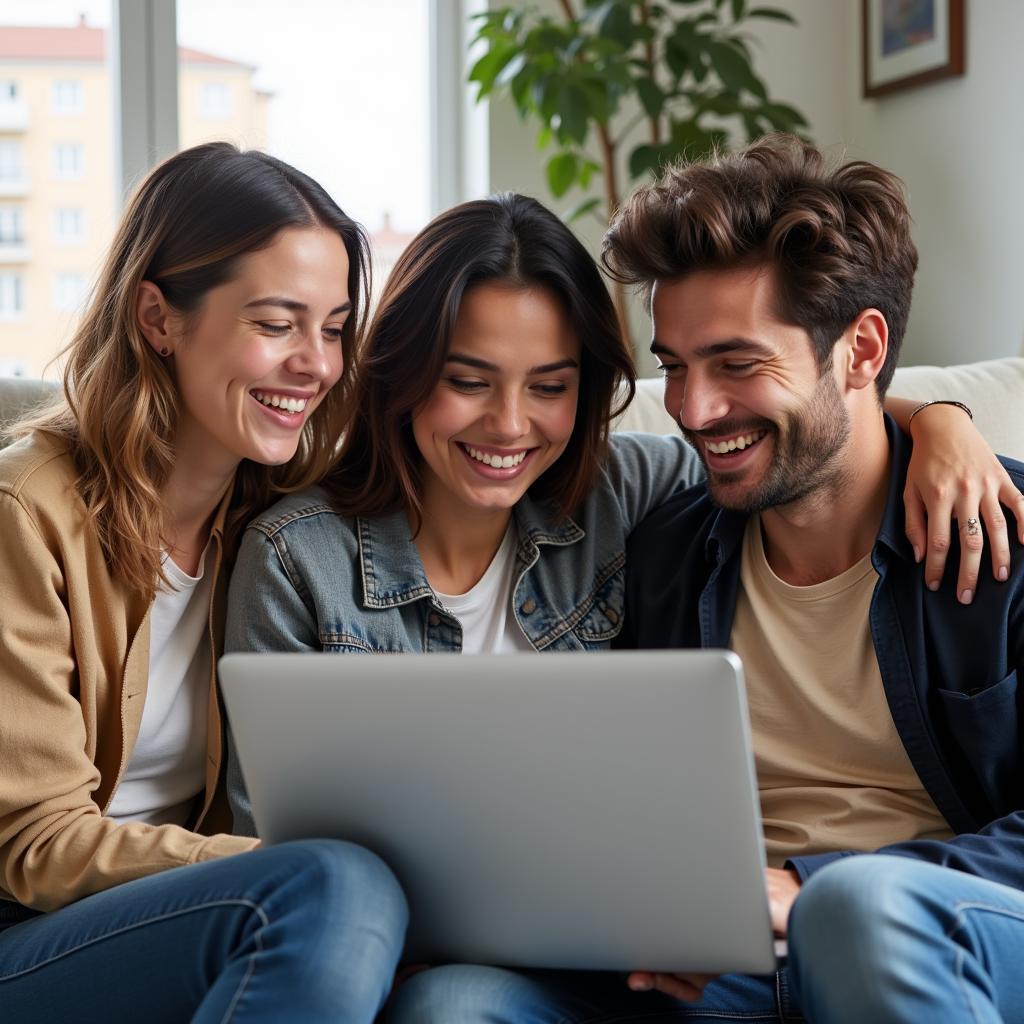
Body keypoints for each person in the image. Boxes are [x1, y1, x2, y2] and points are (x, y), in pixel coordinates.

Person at [388, 138, 1024, 1023]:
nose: (692, 410)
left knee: (860, 909)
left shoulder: (1006, 532)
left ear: (861, 349)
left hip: (942, 930)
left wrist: (809, 888)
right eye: (675, 367)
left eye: (736, 364)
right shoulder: (666, 545)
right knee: (457, 1005)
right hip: (720, 960)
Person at [226, 191, 1013, 821]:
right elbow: (271, 839)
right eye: (468, 381)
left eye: (550, 387)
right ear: (404, 372)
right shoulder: (299, 559)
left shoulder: (622, 492)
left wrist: (941, 422)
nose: (508, 424)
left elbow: (810, 433)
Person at [0, 142, 407, 1023]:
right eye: (275, 324)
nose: (318, 365)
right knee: (332, 884)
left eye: (333, 328)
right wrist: (265, 859)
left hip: (176, 923)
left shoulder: (286, 521)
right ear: (158, 317)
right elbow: (33, 847)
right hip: (22, 933)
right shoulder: (25, 514)